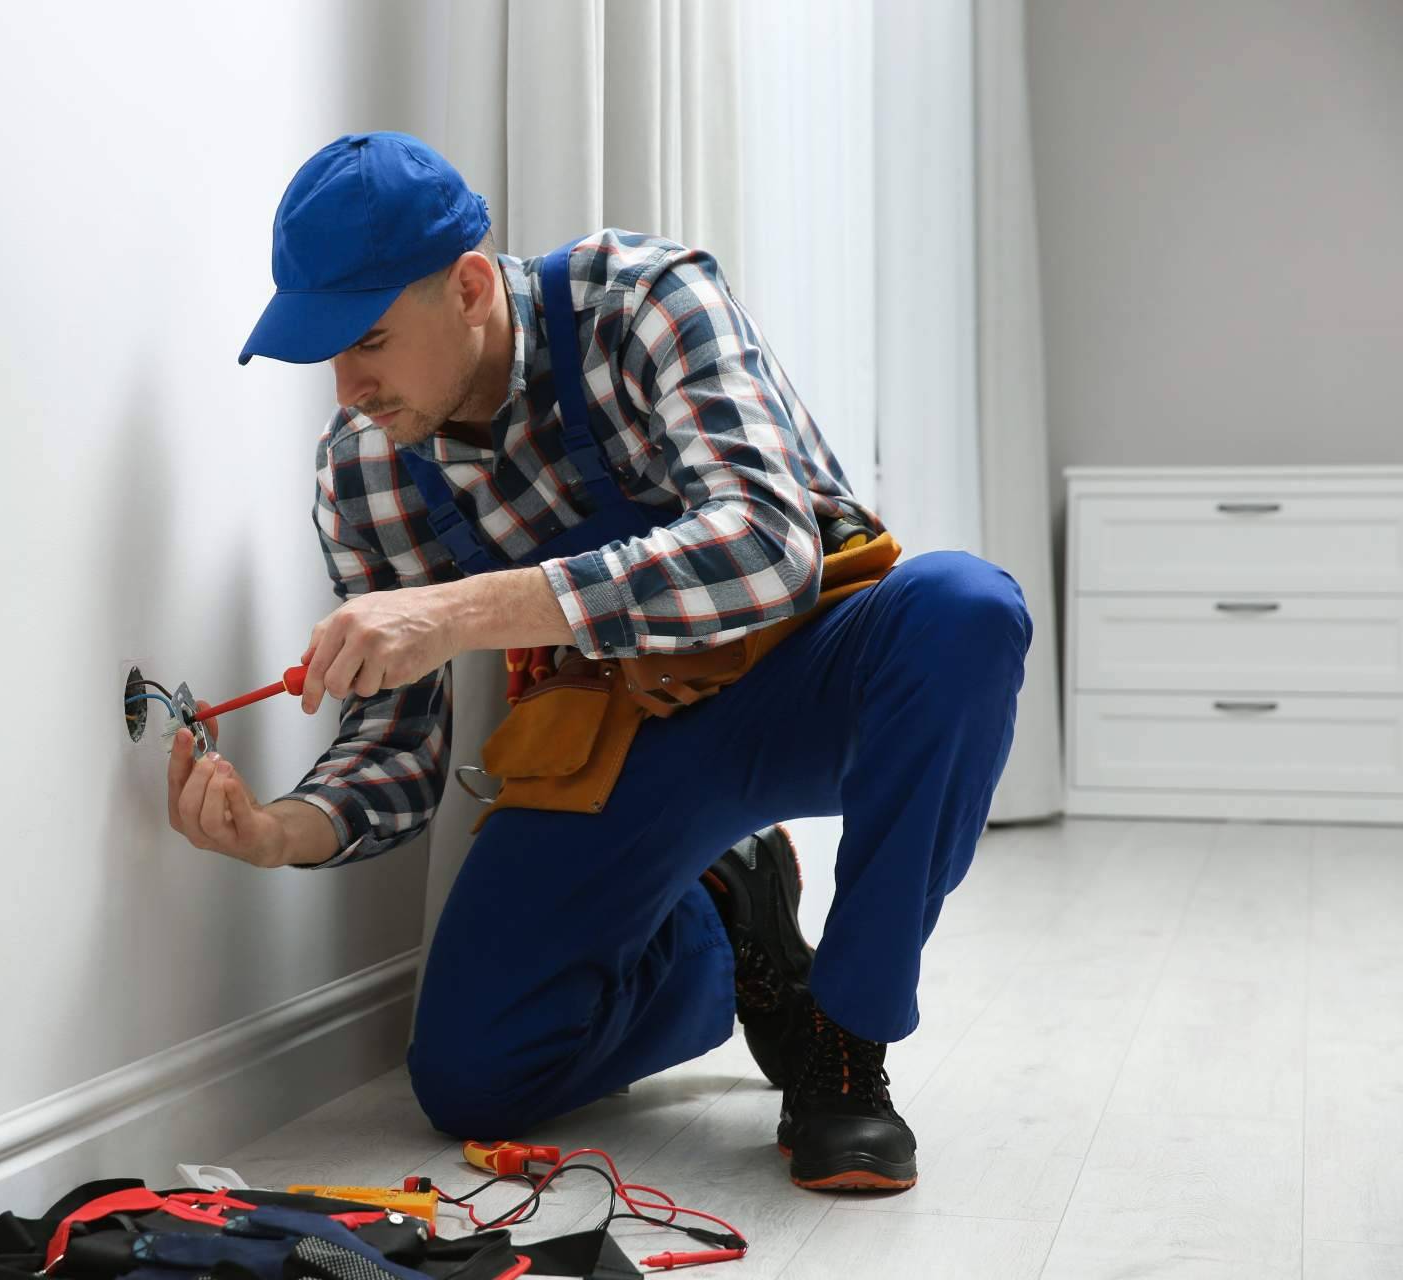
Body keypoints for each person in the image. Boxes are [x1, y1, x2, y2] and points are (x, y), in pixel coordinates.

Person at [165, 132, 1031, 1193]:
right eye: (327, 353)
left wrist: (461, 609)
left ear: (469, 287)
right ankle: (722, 923)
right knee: (473, 1076)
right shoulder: (364, 476)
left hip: (805, 677)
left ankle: (845, 1045)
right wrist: (276, 832)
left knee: (967, 609)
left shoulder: (642, 300)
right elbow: (398, 743)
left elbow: (768, 542)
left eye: (371, 340)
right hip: (621, 747)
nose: (350, 387)